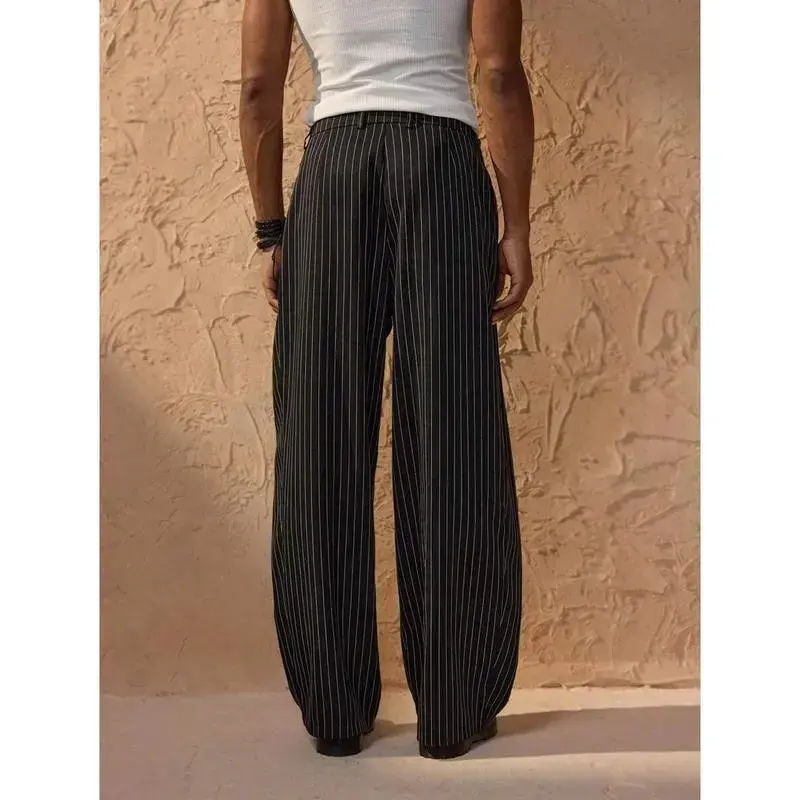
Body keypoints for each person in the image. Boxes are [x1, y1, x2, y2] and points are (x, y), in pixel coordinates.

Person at [239, 0, 534, 760]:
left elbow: (259, 87)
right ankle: (455, 708)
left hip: (334, 171)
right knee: (452, 431)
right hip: (443, 164)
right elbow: (500, 73)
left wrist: (273, 230)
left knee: (320, 435)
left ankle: (334, 710)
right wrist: (516, 227)